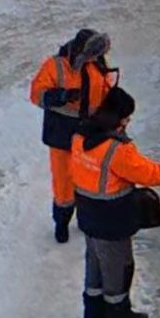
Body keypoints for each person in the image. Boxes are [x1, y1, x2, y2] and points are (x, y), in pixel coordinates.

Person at [70, 86, 160, 318]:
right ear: (116, 118)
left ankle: (92, 310)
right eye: (126, 116)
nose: (128, 121)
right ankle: (117, 313)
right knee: (118, 266)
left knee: (94, 262)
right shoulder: (116, 149)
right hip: (111, 217)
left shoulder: (80, 136)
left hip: (87, 212)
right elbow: (145, 172)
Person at [29, 29, 116, 243]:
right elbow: (36, 94)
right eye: (94, 54)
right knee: (63, 184)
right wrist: (61, 96)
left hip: (89, 134)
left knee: (89, 180)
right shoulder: (56, 66)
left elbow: (105, 94)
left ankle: (86, 218)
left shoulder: (98, 64)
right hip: (61, 136)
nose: (97, 58)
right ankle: (62, 222)